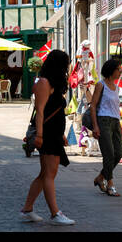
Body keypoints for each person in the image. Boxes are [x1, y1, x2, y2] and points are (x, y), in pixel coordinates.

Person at [19, 49, 75, 225]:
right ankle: (55, 213)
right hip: (47, 134)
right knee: (50, 173)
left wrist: (62, 135)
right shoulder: (44, 82)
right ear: (58, 65)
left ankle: (27, 209)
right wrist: (40, 135)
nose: (67, 68)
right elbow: (40, 112)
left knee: (45, 174)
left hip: (54, 133)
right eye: (65, 64)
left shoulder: (54, 83)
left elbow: (55, 111)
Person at [90, 57, 122, 197]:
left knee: (118, 154)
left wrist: (120, 128)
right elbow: (93, 106)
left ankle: (100, 177)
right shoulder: (101, 85)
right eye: (118, 69)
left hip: (115, 122)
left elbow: (116, 108)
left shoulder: (116, 88)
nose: (120, 71)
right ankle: (110, 183)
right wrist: (95, 126)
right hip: (103, 121)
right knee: (109, 154)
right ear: (111, 70)